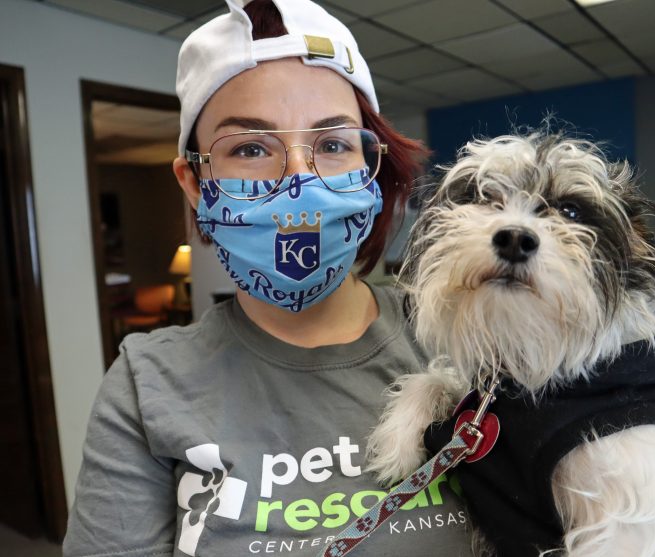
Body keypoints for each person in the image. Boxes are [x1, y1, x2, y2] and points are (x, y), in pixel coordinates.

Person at [62, 1, 472, 555]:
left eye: (332, 145)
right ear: (194, 181)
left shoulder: (466, 336)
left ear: (369, 163)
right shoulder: (147, 384)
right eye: (251, 148)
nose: (298, 182)